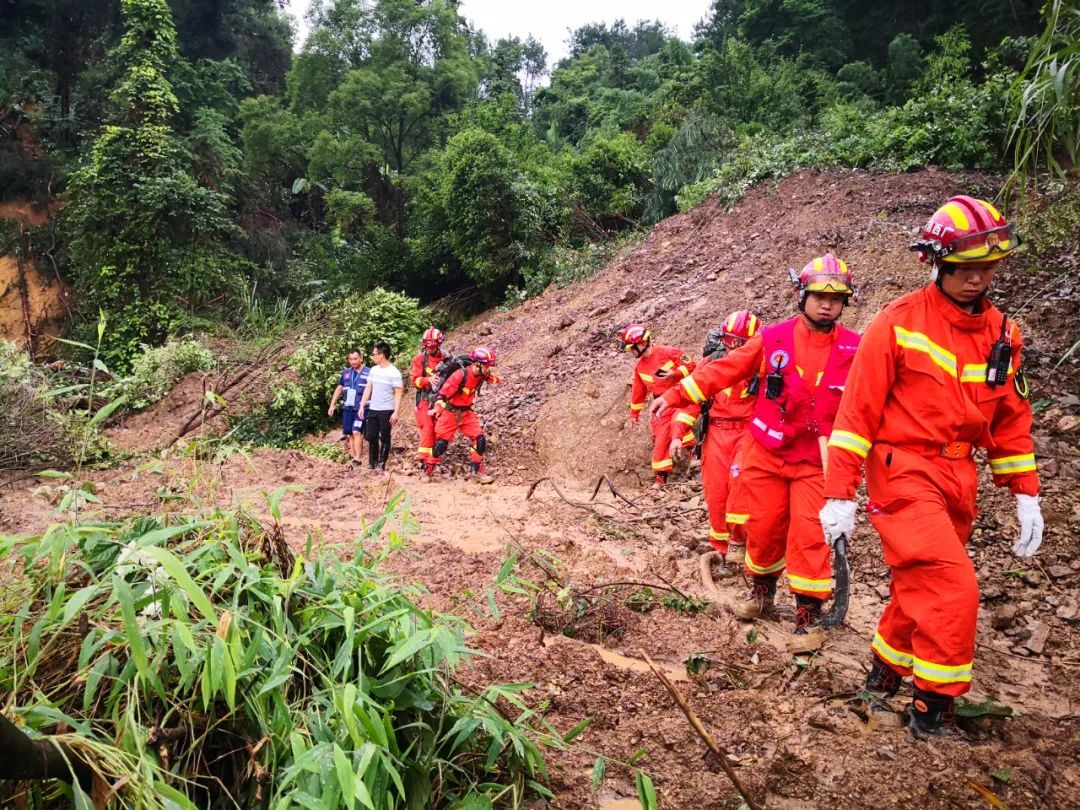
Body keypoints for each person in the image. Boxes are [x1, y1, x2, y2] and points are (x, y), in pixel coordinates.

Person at [819, 196, 1043, 740]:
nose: (976, 280)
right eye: (965, 269)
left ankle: (883, 671)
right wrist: (839, 493)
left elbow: (1011, 417)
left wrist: (1025, 491)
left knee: (920, 583)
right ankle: (933, 709)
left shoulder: (1003, 335)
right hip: (904, 471)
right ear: (938, 263)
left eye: (987, 268)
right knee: (951, 587)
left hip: (960, 476)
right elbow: (856, 416)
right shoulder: (898, 323)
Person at [651, 255, 859, 639]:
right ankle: (762, 594)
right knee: (762, 529)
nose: (827, 304)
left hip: (816, 460)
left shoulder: (854, 349)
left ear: (845, 301)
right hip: (767, 453)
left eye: (836, 298)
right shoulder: (773, 339)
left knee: (810, 536)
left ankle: (807, 616)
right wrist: (678, 394)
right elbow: (725, 369)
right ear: (802, 296)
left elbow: (872, 402)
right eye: (818, 296)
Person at [667, 312, 760, 561]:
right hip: (717, 433)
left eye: (742, 342)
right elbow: (691, 402)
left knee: (741, 485)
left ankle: (742, 541)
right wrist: (677, 434)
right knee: (716, 492)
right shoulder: (711, 362)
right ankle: (721, 549)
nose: (735, 347)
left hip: (749, 432)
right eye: (731, 340)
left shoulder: (763, 365)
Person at [620, 324, 695, 485]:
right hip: (661, 406)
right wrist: (634, 414)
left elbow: (692, 366)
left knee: (680, 425)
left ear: (642, 343)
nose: (631, 352)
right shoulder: (640, 367)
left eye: (632, 348)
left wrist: (674, 374)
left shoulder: (668, 352)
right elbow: (639, 392)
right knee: (660, 440)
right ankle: (661, 481)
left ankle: (695, 463)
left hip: (681, 399)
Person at [428, 346, 500, 483]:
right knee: (441, 444)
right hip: (450, 412)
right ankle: (428, 471)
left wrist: (501, 379)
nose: (488, 369)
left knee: (479, 439)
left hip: (466, 412)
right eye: (486, 366)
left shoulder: (481, 374)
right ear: (478, 364)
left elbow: (491, 378)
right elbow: (442, 395)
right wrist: (437, 408)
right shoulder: (460, 375)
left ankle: (476, 472)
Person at [358, 342, 403, 472]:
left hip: (386, 409)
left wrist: (396, 412)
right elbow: (368, 388)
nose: (373, 356)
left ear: (382, 355)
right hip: (373, 408)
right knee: (370, 436)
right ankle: (372, 462)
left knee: (385, 436)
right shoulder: (374, 370)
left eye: (374, 354)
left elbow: (398, 393)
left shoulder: (394, 372)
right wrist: (362, 405)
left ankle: (381, 464)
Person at [327, 349, 370, 465]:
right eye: (351, 359)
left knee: (356, 431)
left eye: (355, 359)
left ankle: (358, 457)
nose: (353, 361)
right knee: (349, 433)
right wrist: (332, 405)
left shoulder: (369, 372)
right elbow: (339, 388)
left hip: (361, 408)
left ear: (361, 359)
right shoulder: (346, 372)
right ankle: (353, 458)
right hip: (348, 407)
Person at [411, 327, 446, 467]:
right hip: (424, 400)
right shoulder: (420, 359)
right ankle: (423, 460)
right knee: (427, 428)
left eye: (432, 346)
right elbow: (415, 381)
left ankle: (435, 458)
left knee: (439, 429)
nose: (429, 349)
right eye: (426, 346)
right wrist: (428, 380)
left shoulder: (446, 358)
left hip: (441, 400)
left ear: (438, 345)